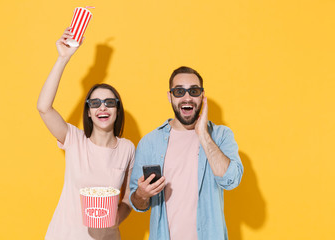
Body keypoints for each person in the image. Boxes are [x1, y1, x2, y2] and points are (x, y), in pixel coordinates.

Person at [37, 28, 135, 240]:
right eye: (95, 103)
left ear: (117, 110)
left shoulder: (127, 148)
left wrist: (116, 218)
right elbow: (44, 108)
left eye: (109, 103)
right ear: (89, 113)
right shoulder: (74, 139)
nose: (102, 108)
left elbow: (127, 198)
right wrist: (63, 58)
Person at [129, 66, 243, 240]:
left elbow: (231, 180)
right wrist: (142, 194)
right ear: (170, 96)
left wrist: (203, 134)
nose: (187, 97)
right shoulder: (149, 143)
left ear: (202, 96)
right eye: (179, 91)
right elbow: (137, 203)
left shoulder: (220, 136)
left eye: (194, 91)